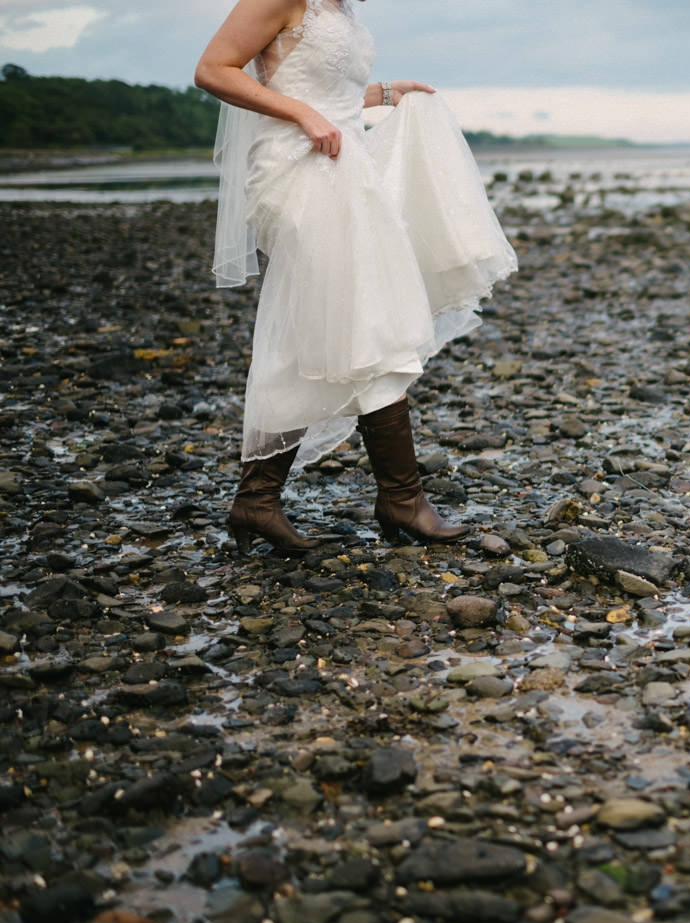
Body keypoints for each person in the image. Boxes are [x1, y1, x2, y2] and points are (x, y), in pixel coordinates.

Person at [194, 0, 516, 552]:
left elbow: (327, 92)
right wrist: (301, 114)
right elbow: (213, 70)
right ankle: (399, 500)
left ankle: (261, 501)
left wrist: (389, 94)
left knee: (334, 329)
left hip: (346, 168)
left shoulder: (339, 8)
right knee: (358, 322)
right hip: (296, 172)